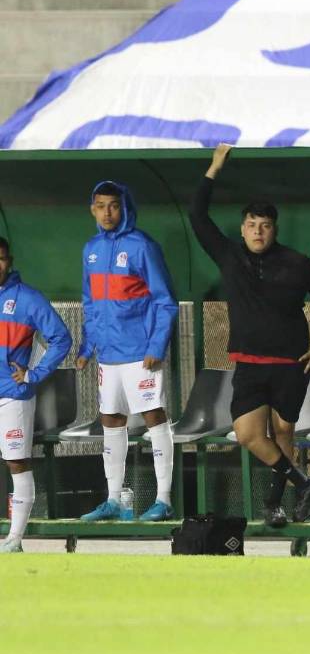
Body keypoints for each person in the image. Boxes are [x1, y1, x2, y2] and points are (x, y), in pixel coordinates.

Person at [190, 144, 310, 528]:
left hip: (291, 363)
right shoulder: (228, 255)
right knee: (249, 434)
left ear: (275, 229)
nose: (258, 231)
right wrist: (214, 168)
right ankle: (305, 483)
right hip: (250, 364)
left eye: (265, 225)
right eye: (252, 225)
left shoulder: (296, 262)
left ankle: (275, 504)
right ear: (242, 229)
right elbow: (197, 216)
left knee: (284, 431)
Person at [77, 181, 179, 522]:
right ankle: (114, 499)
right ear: (92, 209)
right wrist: (87, 345)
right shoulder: (90, 249)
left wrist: (156, 345)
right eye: (101, 205)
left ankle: (164, 500)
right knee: (111, 420)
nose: (108, 212)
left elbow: (165, 301)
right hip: (108, 354)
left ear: (124, 207)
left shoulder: (142, 246)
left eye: (114, 206)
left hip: (140, 353)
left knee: (153, 418)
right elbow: (90, 303)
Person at [0, 239, 71, 552]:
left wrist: (33, 375)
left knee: (17, 462)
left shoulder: (28, 299)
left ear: (10, 260)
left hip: (13, 395)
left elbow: (61, 339)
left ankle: (14, 538)